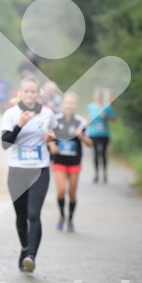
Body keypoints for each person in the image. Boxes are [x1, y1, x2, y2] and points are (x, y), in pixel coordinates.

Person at [1, 77, 57, 273]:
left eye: (34, 91)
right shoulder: (11, 114)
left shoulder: (48, 113)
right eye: (26, 91)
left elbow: (58, 130)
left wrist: (52, 137)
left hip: (39, 170)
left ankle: (31, 256)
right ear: (20, 93)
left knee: (34, 214)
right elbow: (5, 143)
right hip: (17, 170)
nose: (30, 95)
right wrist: (20, 124)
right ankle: (25, 248)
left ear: (39, 94)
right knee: (21, 215)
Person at [48, 92, 92, 232]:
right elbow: (48, 137)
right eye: (67, 103)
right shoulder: (55, 120)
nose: (69, 106)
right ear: (63, 104)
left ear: (76, 106)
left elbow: (90, 143)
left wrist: (82, 137)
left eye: (72, 103)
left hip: (74, 162)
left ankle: (71, 219)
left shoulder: (81, 122)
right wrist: (52, 146)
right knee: (61, 192)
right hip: (59, 161)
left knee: (72, 194)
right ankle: (61, 215)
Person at [87, 88, 117, 183]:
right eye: (96, 95)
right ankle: (96, 174)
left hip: (104, 134)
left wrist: (107, 117)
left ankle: (104, 174)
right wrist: (88, 121)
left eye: (99, 95)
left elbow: (114, 118)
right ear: (94, 96)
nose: (98, 97)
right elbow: (88, 119)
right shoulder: (90, 106)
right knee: (96, 154)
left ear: (101, 97)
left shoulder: (107, 107)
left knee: (103, 154)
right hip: (94, 133)